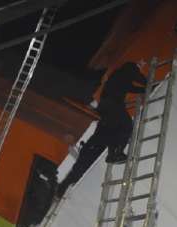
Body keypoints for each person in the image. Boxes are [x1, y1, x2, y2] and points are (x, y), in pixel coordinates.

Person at [56, 62, 147, 198]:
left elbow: (131, 86)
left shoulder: (117, 76)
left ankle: (63, 186)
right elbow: (138, 83)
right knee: (126, 125)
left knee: (106, 136)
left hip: (106, 111)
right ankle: (115, 153)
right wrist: (144, 79)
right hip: (112, 106)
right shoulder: (126, 73)